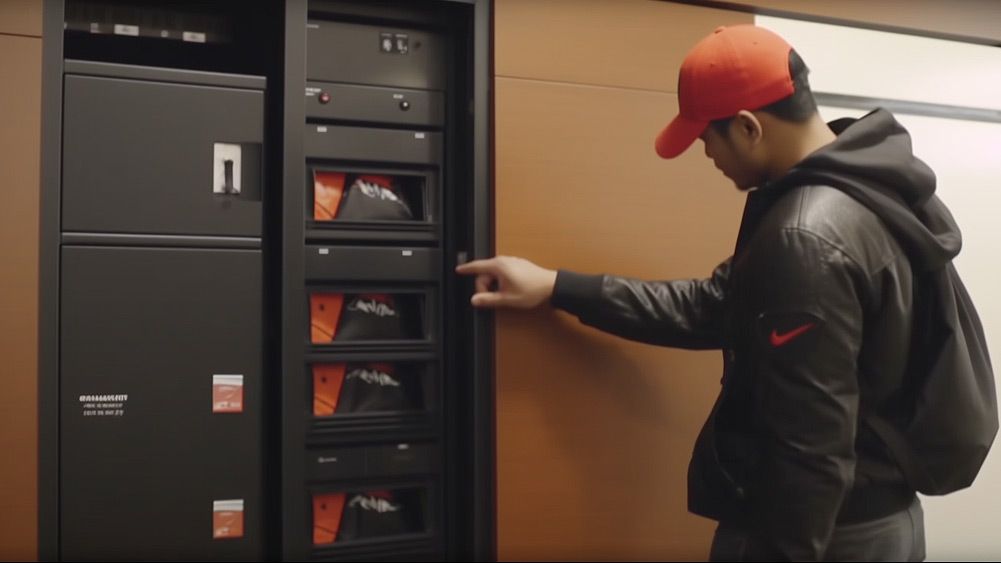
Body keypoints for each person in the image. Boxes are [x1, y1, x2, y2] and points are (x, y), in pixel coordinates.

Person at [454, 24, 983, 561]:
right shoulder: (875, 188)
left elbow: (809, 450)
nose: (704, 152)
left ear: (750, 127)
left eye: (706, 135)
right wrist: (556, 287)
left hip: (822, 535)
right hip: (884, 521)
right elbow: (715, 307)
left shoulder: (805, 235)